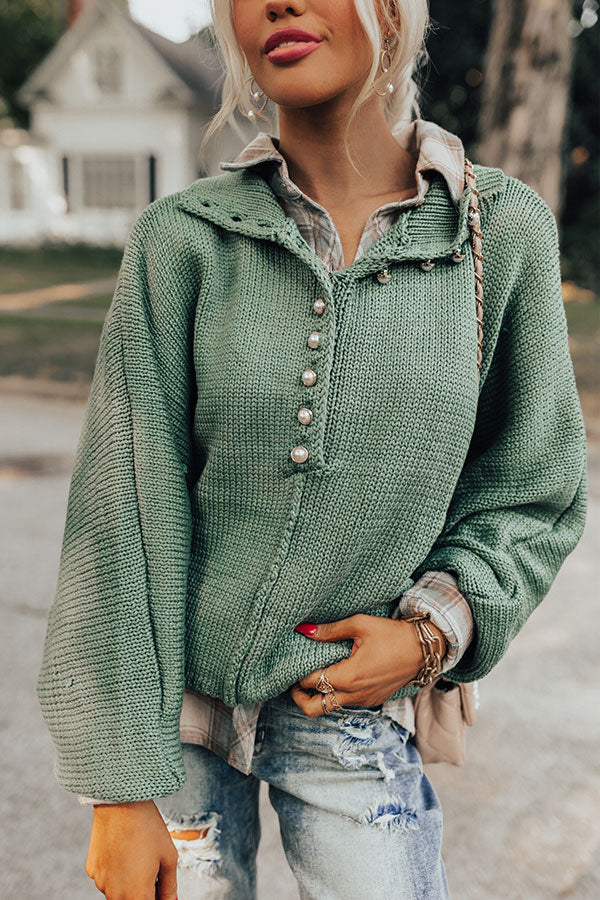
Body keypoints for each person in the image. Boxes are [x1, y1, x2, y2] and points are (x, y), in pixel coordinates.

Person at [36, 1, 587, 898]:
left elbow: (535, 488)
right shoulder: (182, 242)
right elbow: (123, 514)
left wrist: (430, 635)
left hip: (352, 719)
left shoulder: (495, 232)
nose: (278, 3)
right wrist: (117, 792)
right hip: (177, 724)